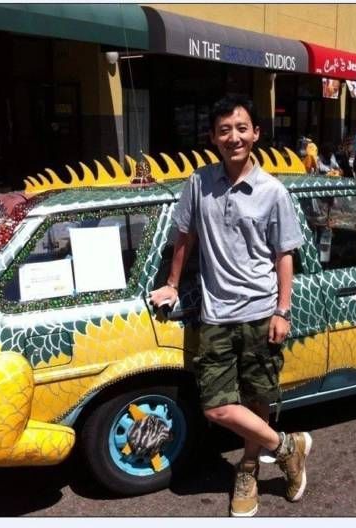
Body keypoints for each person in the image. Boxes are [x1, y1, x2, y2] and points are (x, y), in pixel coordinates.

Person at [150, 95, 312, 517]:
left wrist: (282, 310)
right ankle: (287, 447)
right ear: (213, 137)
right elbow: (184, 236)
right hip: (216, 315)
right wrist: (171, 284)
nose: (233, 137)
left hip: (261, 312)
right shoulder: (199, 183)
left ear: (256, 133)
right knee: (217, 406)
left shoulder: (273, 192)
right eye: (224, 130)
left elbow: (284, 255)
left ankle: (249, 468)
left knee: (258, 396)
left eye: (241, 128)